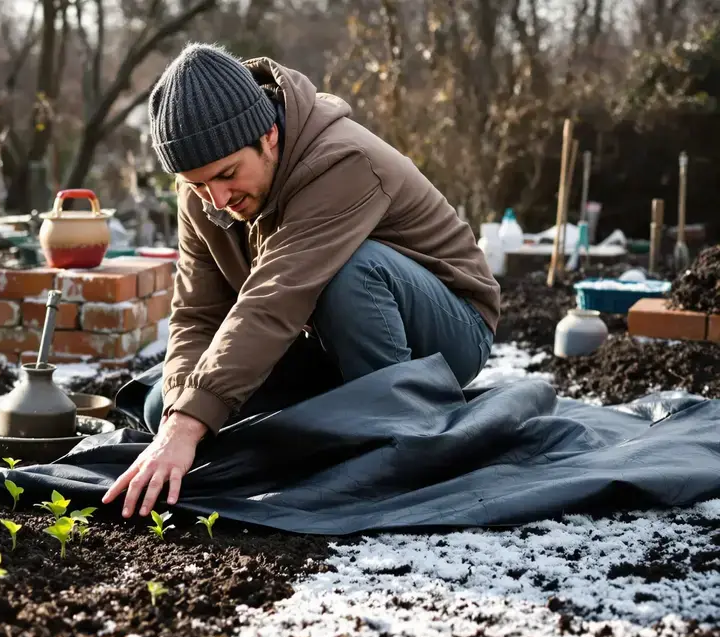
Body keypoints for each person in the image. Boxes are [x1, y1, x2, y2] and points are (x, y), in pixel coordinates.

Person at [101, 43, 501, 519]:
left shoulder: (343, 162)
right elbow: (197, 315)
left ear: (269, 135)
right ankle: (338, 420)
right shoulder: (206, 193)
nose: (217, 198)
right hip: (320, 332)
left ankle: (399, 433)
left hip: (446, 329)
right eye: (198, 184)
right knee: (162, 407)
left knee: (352, 270)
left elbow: (275, 297)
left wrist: (189, 426)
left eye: (228, 175)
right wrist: (178, 417)